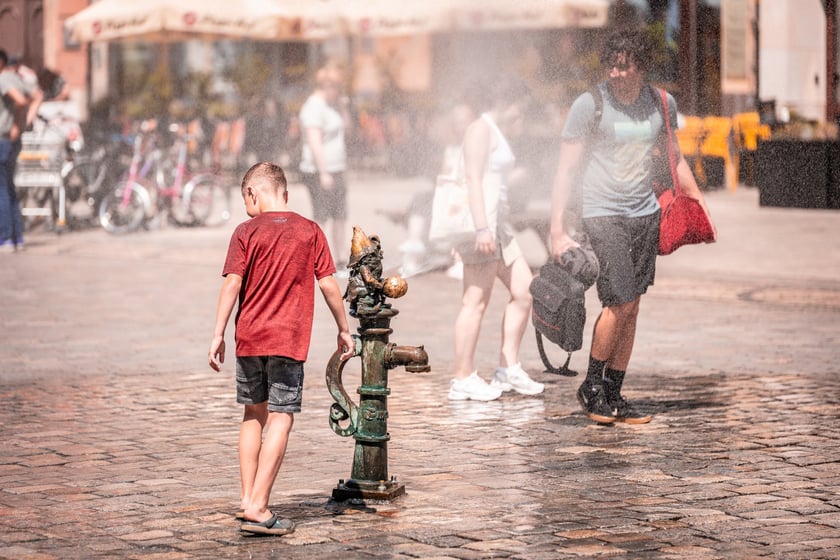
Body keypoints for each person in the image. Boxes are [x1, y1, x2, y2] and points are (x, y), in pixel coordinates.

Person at [549, 30, 716, 424]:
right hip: (602, 212)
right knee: (619, 301)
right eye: (612, 64)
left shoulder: (661, 103)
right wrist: (556, 228)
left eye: (625, 65)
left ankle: (614, 392)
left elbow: (673, 159)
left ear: (641, 65)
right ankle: (590, 386)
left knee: (634, 304)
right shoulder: (589, 105)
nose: (617, 73)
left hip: (645, 214)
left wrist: (699, 204)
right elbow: (565, 171)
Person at [208, 162, 354, 536]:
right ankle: (258, 506)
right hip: (288, 342)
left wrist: (218, 333)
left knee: (252, 414)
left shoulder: (245, 232)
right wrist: (343, 328)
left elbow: (231, 285)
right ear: (285, 194)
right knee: (281, 416)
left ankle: (246, 498)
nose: (248, 210)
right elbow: (329, 286)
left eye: (247, 202)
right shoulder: (310, 231)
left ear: (253, 193)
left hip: (249, 339)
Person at [447, 81, 545, 402]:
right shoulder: (480, 129)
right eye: (521, 109)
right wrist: (479, 229)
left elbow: (493, 177)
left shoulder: (495, 131)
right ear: (506, 102)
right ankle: (462, 377)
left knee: (524, 290)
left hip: (498, 225)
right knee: (475, 301)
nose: (522, 117)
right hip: (483, 225)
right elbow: (471, 178)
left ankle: (508, 368)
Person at [299, 64, 352, 275]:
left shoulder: (332, 106)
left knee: (340, 214)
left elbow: (347, 128)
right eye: (338, 88)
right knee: (322, 216)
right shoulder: (313, 107)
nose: (340, 92)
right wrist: (323, 172)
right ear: (328, 86)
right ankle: (319, 260)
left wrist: (344, 107)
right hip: (318, 170)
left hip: (337, 167)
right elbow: (314, 142)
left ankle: (340, 258)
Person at [0, 49, 38, 253]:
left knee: (2, 191)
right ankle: (17, 237)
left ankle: (5, 238)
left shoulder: (4, 79)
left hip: (2, 139)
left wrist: (16, 124)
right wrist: (25, 122)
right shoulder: (14, 77)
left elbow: (21, 101)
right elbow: (36, 96)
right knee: (9, 189)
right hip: (11, 141)